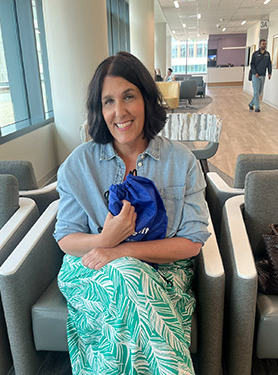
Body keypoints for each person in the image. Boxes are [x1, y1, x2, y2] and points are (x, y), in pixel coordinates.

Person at [54, 51, 210, 375]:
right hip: (91, 270)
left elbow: (192, 242)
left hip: (163, 272)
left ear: (147, 100)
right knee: (125, 277)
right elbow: (66, 238)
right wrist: (105, 239)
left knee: (129, 273)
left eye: (129, 96)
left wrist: (122, 250)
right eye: (108, 101)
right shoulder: (78, 165)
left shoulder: (181, 162)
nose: (119, 112)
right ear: (99, 110)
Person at [249, 39, 272, 112]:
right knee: (256, 92)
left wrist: (269, 72)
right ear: (259, 45)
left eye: (265, 44)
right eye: (263, 44)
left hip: (263, 75)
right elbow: (252, 64)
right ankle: (257, 107)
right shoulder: (255, 54)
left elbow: (269, 64)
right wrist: (255, 72)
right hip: (255, 75)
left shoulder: (267, 54)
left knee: (259, 92)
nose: (264, 45)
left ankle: (251, 104)